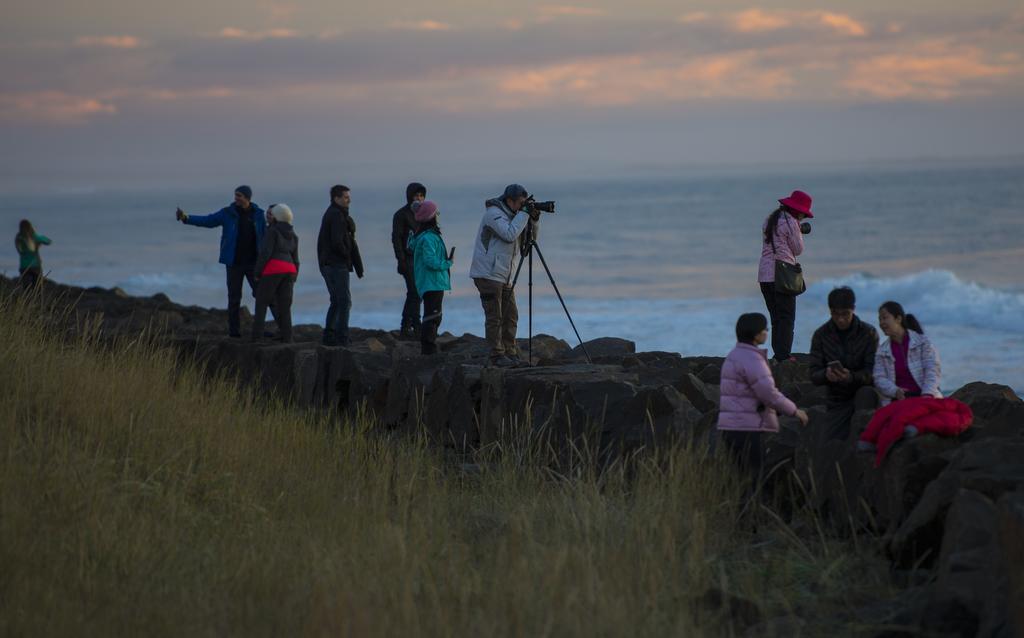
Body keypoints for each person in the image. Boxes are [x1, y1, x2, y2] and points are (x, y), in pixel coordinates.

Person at [718, 313, 809, 480]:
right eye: (765, 329)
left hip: (729, 427)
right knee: (755, 479)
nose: (767, 332)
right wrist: (795, 411)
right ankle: (751, 507)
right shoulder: (753, 359)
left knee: (741, 478)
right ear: (756, 334)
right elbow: (769, 394)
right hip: (747, 428)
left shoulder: (733, 356)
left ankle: (740, 506)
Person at [176, 185, 266, 337]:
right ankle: (234, 332)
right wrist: (186, 218)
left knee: (261, 295)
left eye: (239, 195)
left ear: (247, 198)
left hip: (254, 264)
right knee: (234, 298)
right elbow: (208, 220)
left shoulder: (259, 214)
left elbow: (268, 234)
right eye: (235, 195)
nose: (236, 198)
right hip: (234, 263)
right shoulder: (227, 213)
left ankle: (261, 330)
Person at [469, 184, 539, 367]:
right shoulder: (493, 214)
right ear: (509, 201)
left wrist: (534, 220)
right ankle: (496, 355)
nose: (522, 207)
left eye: (525, 204)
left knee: (511, 315)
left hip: (504, 275)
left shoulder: (516, 216)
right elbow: (509, 234)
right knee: (495, 316)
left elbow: (527, 245)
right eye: (520, 203)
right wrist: (525, 214)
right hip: (487, 274)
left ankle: (510, 351)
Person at [808, 286, 880, 441]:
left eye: (845, 314)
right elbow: (813, 374)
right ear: (830, 311)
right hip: (837, 398)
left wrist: (851, 377)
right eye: (835, 314)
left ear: (853, 309)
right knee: (830, 444)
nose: (840, 319)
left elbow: (874, 372)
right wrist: (826, 375)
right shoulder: (821, 335)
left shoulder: (868, 333)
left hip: (863, 393)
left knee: (866, 394)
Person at [758, 190, 813, 362]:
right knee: (787, 319)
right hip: (782, 276)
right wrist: (798, 230)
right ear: (798, 210)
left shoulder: (770, 220)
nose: (804, 217)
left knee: (776, 318)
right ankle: (784, 356)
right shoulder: (791, 223)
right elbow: (798, 250)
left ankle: (779, 354)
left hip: (765, 275)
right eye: (803, 213)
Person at [317, 184, 364, 346]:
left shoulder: (334, 213)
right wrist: (347, 256)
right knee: (344, 301)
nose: (349, 199)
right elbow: (337, 242)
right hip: (335, 264)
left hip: (328, 263)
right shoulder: (336, 215)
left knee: (337, 300)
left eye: (348, 196)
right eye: (345, 197)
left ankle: (329, 336)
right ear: (336, 198)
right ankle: (341, 337)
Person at [873, 301, 942, 406]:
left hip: (926, 396)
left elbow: (932, 369)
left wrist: (927, 394)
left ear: (898, 319)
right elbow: (879, 378)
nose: (881, 323)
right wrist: (895, 391)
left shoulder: (923, 342)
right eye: (880, 319)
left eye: (885, 318)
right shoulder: (882, 351)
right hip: (898, 400)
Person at [408, 200, 453, 355]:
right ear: (431, 217)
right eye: (436, 213)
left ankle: (429, 346)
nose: (438, 215)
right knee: (432, 316)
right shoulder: (428, 238)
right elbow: (430, 261)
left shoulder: (428, 235)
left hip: (432, 282)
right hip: (432, 282)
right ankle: (428, 348)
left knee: (434, 315)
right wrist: (447, 263)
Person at [252, 204, 299, 343]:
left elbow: (266, 253)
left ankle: (257, 337)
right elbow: (296, 259)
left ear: (277, 217)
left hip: (274, 268)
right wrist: (295, 276)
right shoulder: (294, 235)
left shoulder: (272, 231)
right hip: (290, 270)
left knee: (261, 302)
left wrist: (257, 272)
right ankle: (287, 337)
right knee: (285, 306)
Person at [392, 182, 427, 338]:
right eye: (416, 196)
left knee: (416, 293)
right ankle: (415, 325)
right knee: (415, 292)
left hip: (421, 260)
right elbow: (396, 239)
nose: (418, 199)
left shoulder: (425, 214)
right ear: (409, 197)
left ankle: (406, 325)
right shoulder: (401, 214)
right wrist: (401, 260)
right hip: (408, 258)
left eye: (421, 195)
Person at [14, 219, 51, 289]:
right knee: (38, 288)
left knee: (26, 288)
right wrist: (39, 243)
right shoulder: (33, 236)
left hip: (24, 266)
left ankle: (26, 300)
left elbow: (19, 250)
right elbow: (48, 241)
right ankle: (37, 299)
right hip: (35, 265)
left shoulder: (18, 237)